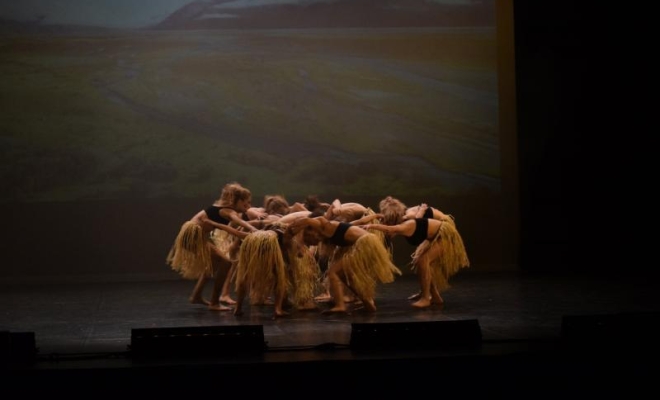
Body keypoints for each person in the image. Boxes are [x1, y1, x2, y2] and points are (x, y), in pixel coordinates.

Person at [166, 182, 258, 311]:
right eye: (245, 203)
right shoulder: (228, 210)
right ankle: (214, 302)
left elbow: (230, 227)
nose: (248, 206)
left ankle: (196, 296)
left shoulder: (222, 208)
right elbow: (238, 221)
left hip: (193, 235)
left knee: (213, 265)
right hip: (193, 236)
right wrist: (252, 228)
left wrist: (246, 231)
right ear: (235, 201)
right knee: (226, 263)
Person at [288, 212, 402, 314]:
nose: (314, 240)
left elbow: (307, 220)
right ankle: (368, 304)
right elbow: (360, 222)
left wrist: (290, 230)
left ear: (313, 230)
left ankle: (340, 306)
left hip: (366, 243)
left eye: (310, 236)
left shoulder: (325, 226)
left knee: (332, 273)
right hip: (368, 243)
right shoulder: (333, 232)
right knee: (346, 277)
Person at [363, 210, 470, 309]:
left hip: (445, 236)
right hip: (435, 237)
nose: (388, 234)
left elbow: (389, 229)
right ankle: (435, 297)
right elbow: (411, 218)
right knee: (419, 261)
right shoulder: (406, 222)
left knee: (423, 261)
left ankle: (425, 298)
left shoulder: (404, 226)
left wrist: (370, 225)